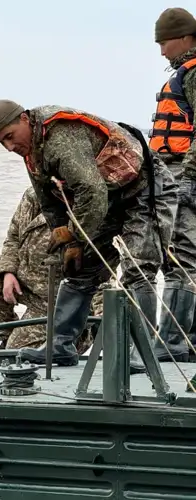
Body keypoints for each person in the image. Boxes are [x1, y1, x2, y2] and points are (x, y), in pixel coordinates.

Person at [0, 99, 176, 368]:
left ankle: (141, 352)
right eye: (1, 142)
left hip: (145, 188)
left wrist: (75, 235)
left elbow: (92, 192)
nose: (9, 147)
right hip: (110, 196)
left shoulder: (60, 139)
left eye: (10, 137)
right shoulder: (32, 153)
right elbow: (50, 203)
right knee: (79, 267)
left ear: (24, 120)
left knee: (138, 267)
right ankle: (61, 345)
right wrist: (68, 241)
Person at [0, 186, 100, 353]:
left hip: (59, 302)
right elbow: (13, 238)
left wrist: (100, 321)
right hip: (29, 279)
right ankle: (9, 338)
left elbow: (101, 274)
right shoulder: (35, 195)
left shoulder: (90, 208)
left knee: (17, 352)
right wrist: (8, 272)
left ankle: (64, 343)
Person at [150, 7, 196, 362]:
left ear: (185, 38)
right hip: (175, 171)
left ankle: (172, 343)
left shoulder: (193, 75)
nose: (162, 50)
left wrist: (189, 181)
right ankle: (185, 340)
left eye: (165, 42)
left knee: (180, 258)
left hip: (183, 172)